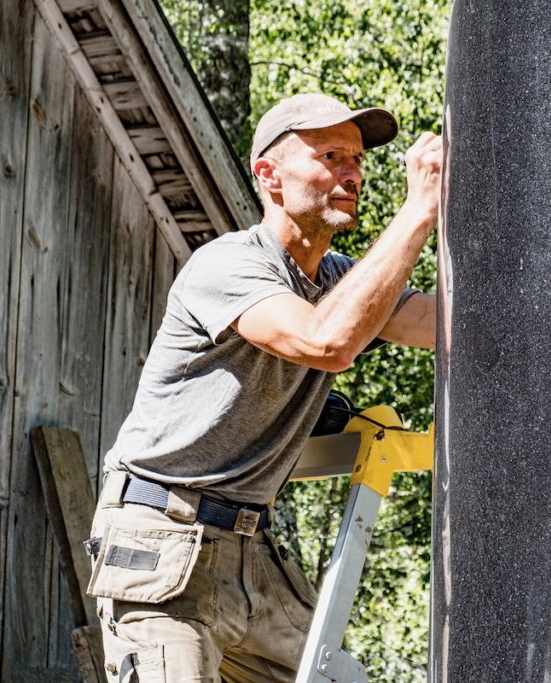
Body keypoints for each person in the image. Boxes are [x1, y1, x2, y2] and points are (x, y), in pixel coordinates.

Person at [86, 93, 441, 682]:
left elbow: (442, 324)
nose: (350, 173)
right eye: (329, 155)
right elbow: (326, 341)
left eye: (356, 160)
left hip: (252, 545)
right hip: (162, 537)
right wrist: (418, 212)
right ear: (269, 176)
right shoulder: (226, 266)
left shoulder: (338, 278)